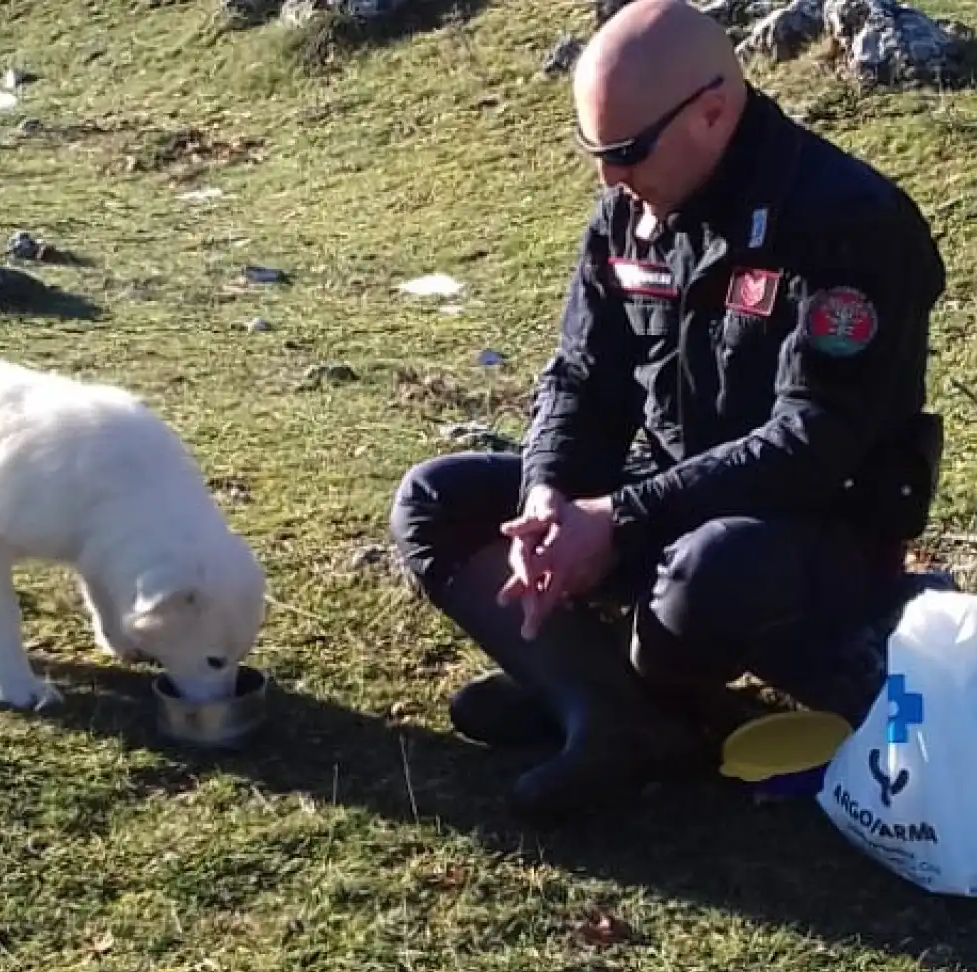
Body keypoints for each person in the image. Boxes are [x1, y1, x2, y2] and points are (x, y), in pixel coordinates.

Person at [388, 0, 948, 823]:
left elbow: (812, 444)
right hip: (662, 498)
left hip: (812, 530)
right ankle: (607, 711)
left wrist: (614, 518)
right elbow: (583, 377)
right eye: (594, 154)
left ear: (712, 112)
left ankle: (604, 684)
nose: (609, 178)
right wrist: (549, 495)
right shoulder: (628, 213)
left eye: (624, 153)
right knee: (434, 500)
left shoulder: (845, 223)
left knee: (706, 571)